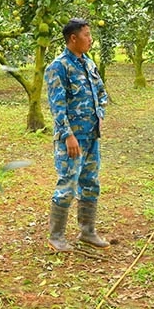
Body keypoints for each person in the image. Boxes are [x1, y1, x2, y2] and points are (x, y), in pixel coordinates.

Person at [45, 17, 110, 252]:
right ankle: (56, 236)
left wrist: (99, 113)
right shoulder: (59, 67)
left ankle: (87, 231)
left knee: (90, 183)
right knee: (68, 184)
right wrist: (67, 135)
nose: (90, 40)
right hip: (72, 139)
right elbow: (57, 105)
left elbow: (101, 93)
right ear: (73, 38)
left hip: (92, 136)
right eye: (86, 35)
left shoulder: (88, 64)